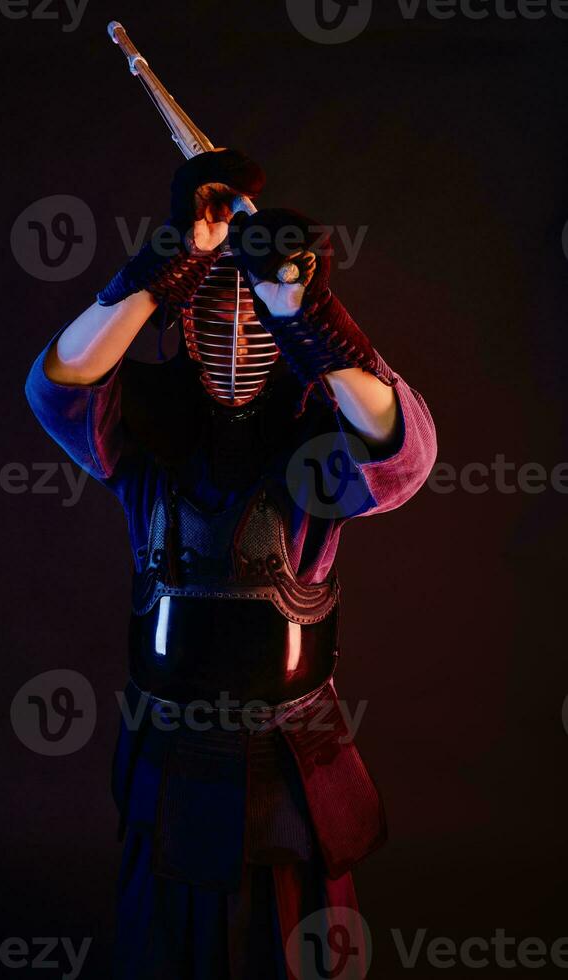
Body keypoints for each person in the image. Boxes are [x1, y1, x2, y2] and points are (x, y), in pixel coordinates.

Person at [25, 148, 437, 980]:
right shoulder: (138, 432)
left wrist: (312, 313)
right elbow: (56, 386)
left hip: (293, 766)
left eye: (258, 313)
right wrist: (166, 259)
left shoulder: (319, 439)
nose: (238, 329)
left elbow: (406, 454)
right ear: (179, 316)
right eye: (214, 307)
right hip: (170, 761)